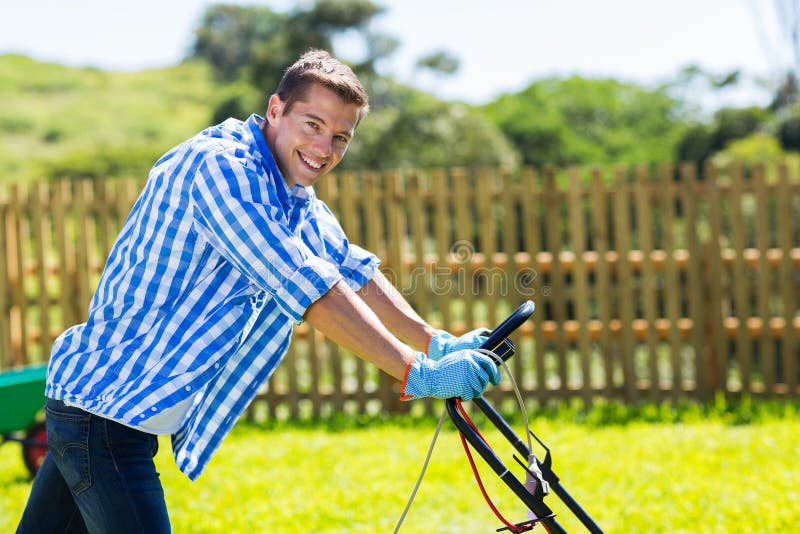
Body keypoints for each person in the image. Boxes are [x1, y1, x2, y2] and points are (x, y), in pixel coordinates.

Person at [17, 49, 500, 533]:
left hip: (107, 411)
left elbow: (350, 269)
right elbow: (308, 287)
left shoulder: (290, 193)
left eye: (340, 138)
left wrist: (434, 341)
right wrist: (416, 372)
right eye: (312, 125)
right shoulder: (220, 169)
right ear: (275, 109)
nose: (324, 148)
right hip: (102, 418)